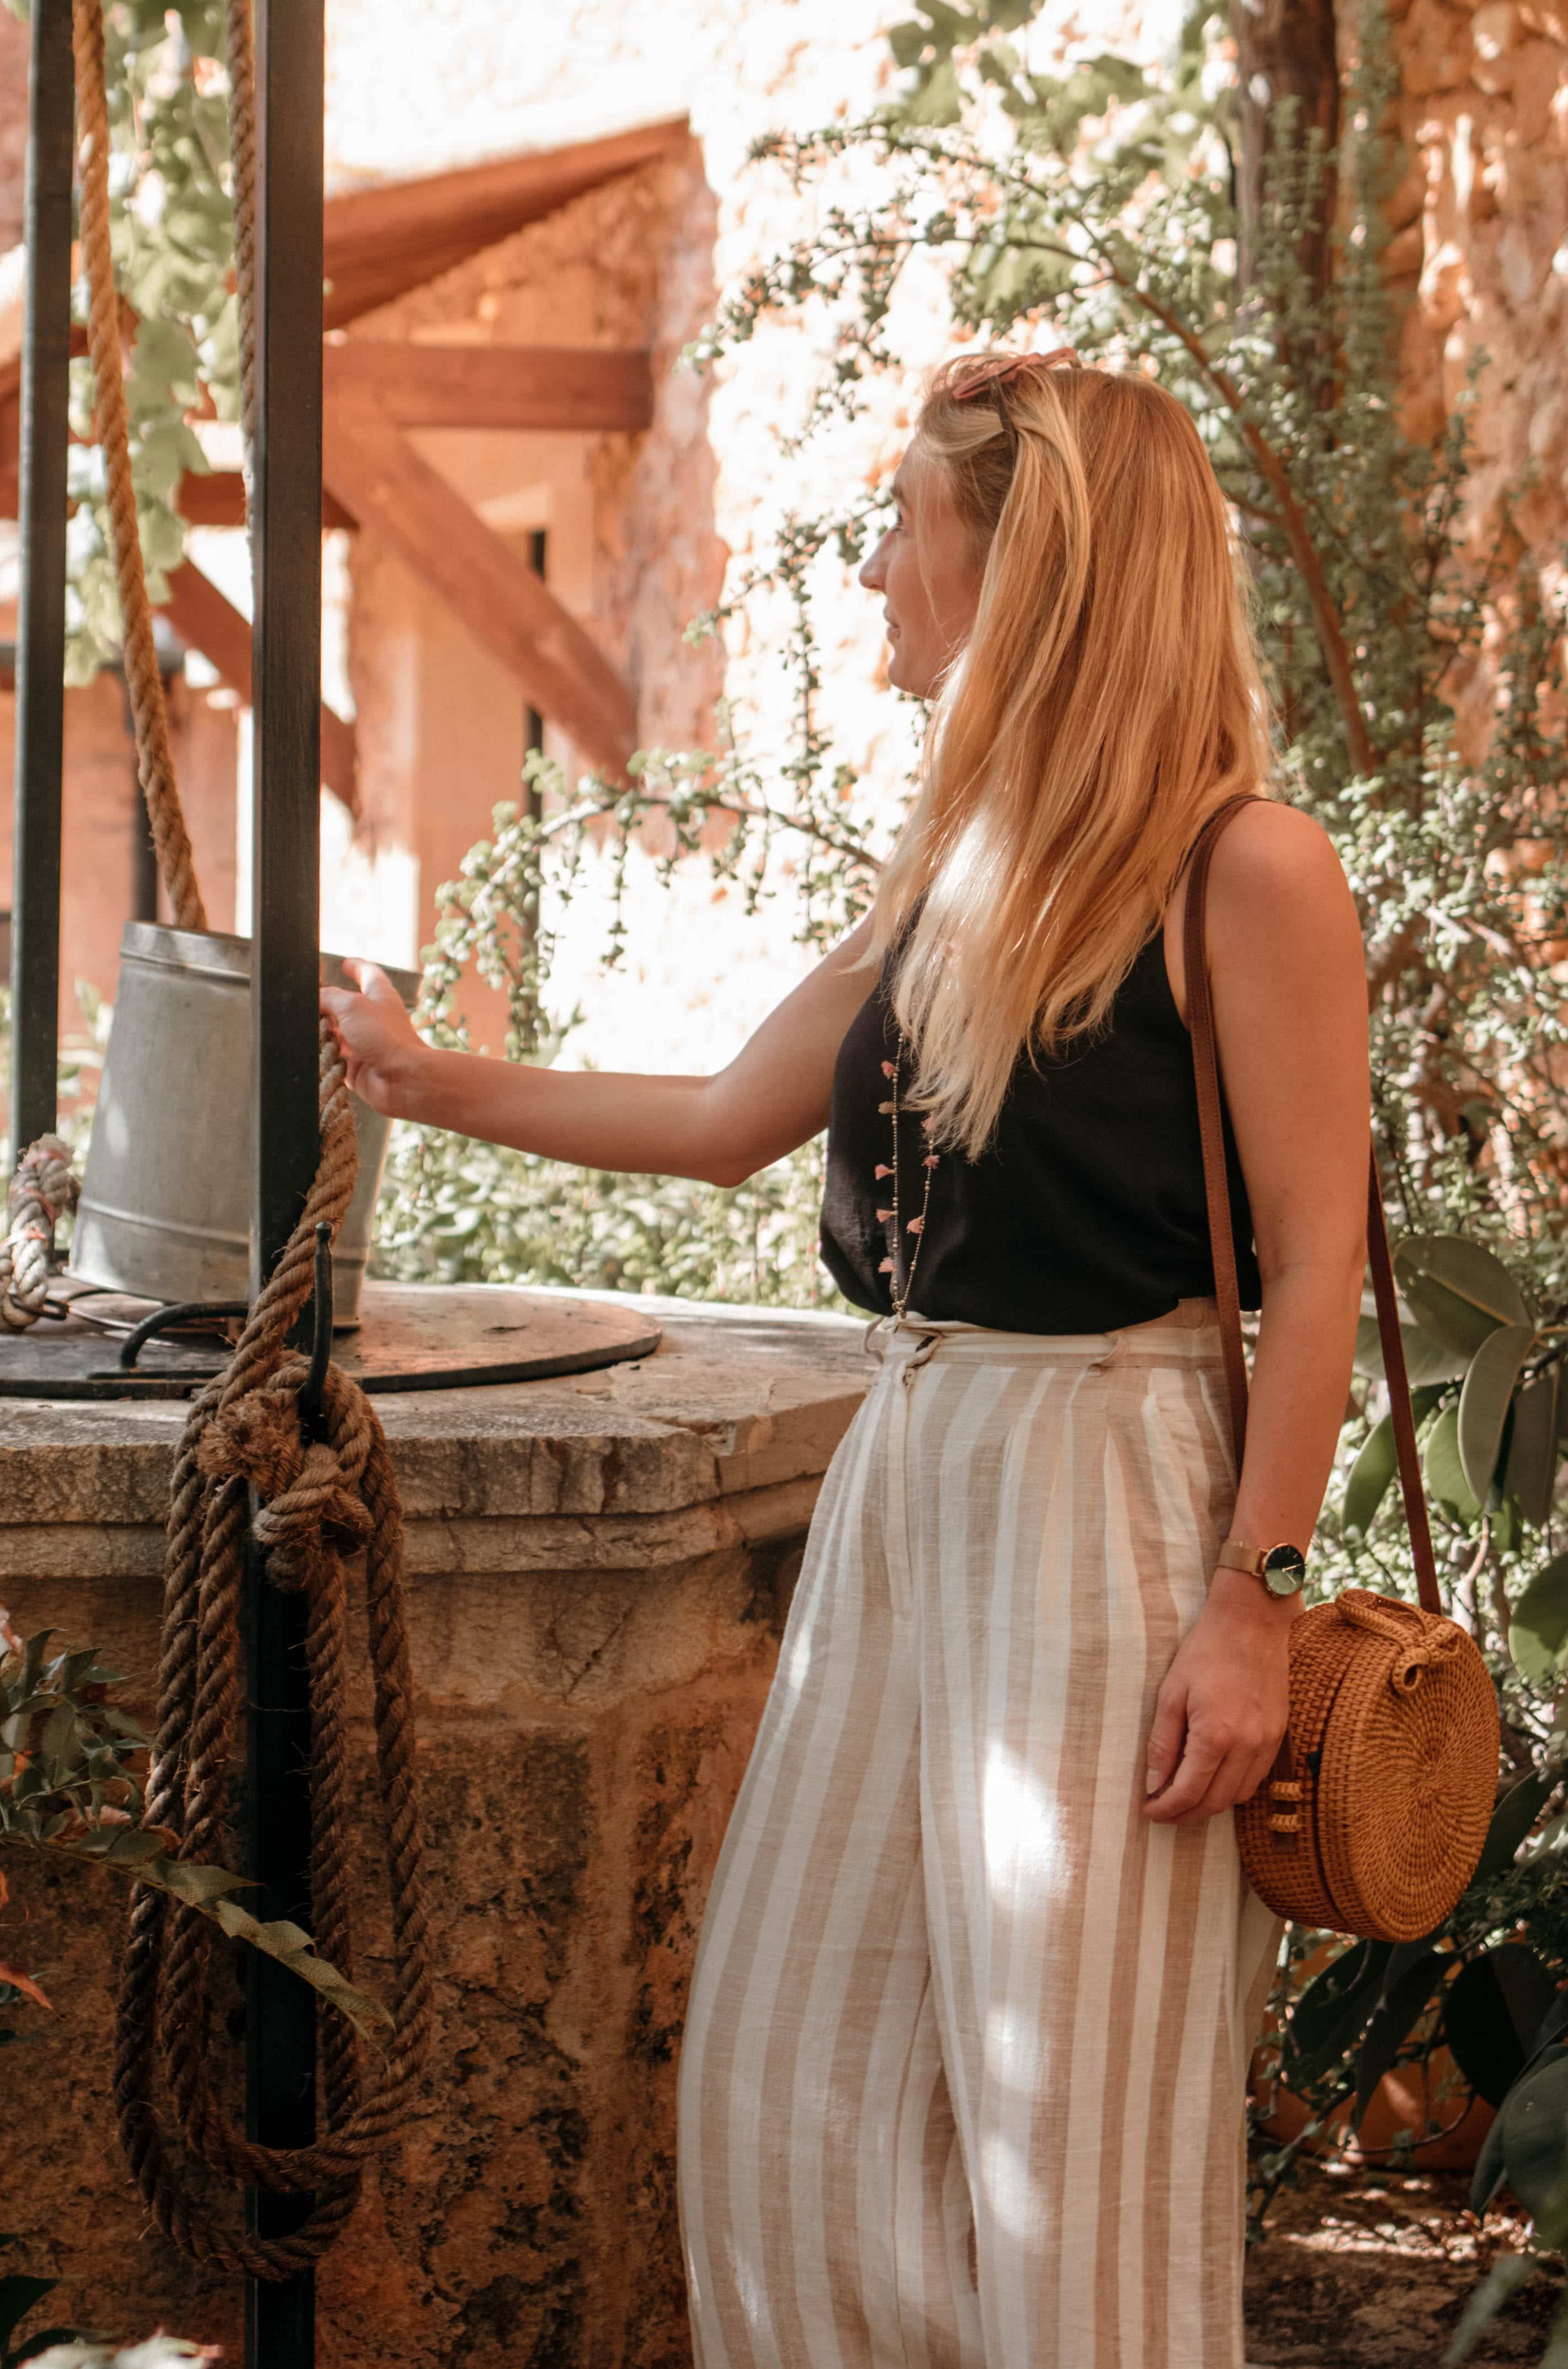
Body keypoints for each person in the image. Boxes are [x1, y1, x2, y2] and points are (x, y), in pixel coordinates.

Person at [321, 348, 1367, 2368]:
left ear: (1030, 563)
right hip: (911, 1463)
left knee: (1081, 2144)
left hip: (1109, 1489)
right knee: (783, 2086)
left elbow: (1312, 1269)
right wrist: (419, 1073)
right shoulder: (951, 885)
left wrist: (1252, 1595)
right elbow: (722, 1116)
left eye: (909, 523)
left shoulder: (1246, 868)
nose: (874, 563)